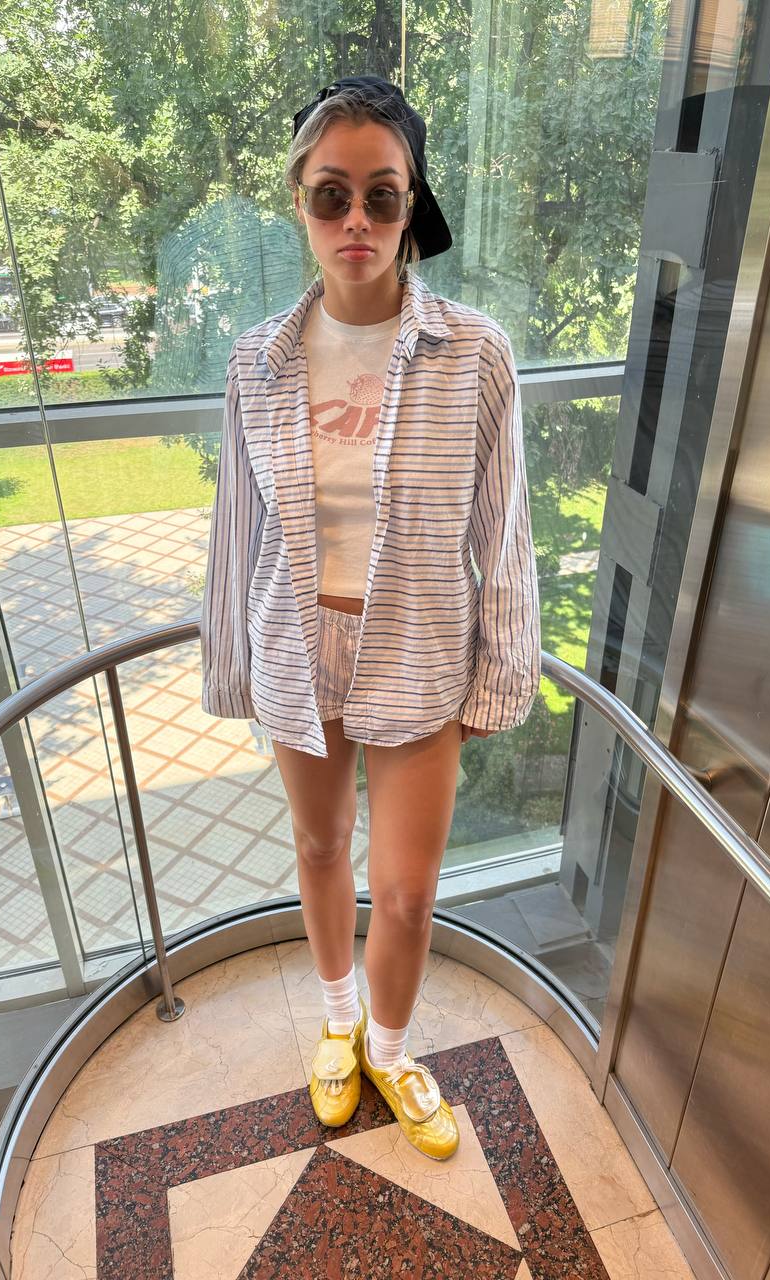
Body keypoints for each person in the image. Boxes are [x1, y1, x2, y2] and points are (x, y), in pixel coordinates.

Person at [200, 75, 541, 1161]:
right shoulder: (256, 359)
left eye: (381, 196)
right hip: (298, 643)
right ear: (299, 201)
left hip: (420, 647)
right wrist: (233, 666)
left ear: (411, 205)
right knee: (317, 845)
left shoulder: (474, 353)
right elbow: (237, 527)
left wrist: (499, 677)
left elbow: (504, 528)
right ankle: (339, 1020)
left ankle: (391, 1046)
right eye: (331, 194)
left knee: (405, 888)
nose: (356, 219)